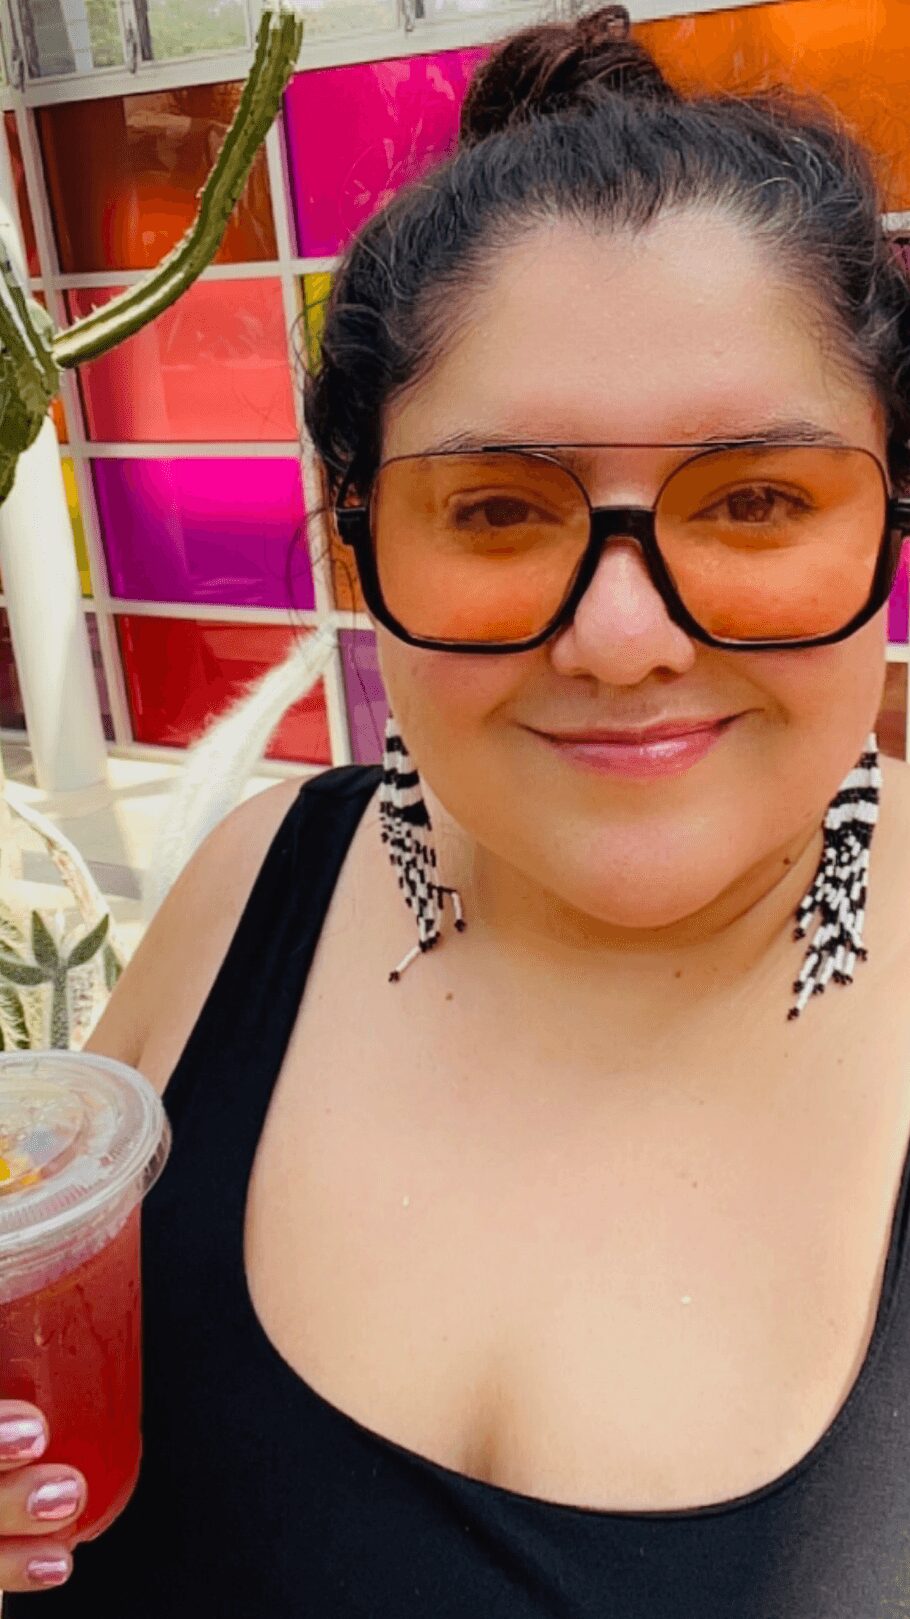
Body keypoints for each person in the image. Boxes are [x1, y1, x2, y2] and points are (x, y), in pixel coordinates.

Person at [3, 4, 910, 1611]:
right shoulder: (247, 888)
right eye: (493, 508)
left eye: (757, 499)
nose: (624, 638)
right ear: (360, 548)